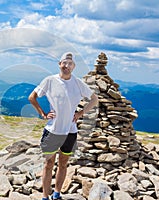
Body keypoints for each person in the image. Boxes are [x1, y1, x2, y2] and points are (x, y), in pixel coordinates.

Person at [28, 52, 98, 200]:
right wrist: (43, 113)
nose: (67, 66)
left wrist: (80, 113)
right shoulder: (49, 81)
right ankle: (45, 196)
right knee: (48, 164)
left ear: (73, 67)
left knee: (63, 163)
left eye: (70, 64)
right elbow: (32, 97)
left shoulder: (78, 83)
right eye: (64, 63)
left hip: (70, 131)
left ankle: (57, 194)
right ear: (60, 64)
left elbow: (94, 99)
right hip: (52, 130)